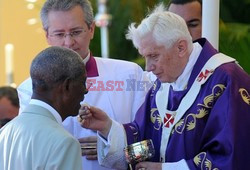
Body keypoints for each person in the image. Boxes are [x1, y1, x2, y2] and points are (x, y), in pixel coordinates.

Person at [78, 4, 250, 170]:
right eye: (145, 57)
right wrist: (108, 128)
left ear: (181, 47)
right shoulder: (162, 84)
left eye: (154, 56)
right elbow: (148, 144)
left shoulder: (227, 81)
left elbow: (232, 157)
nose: (148, 67)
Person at [17, 0, 149, 169]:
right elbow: (30, 153)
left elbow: (151, 146)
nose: (68, 42)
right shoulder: (29, 89)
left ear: (91, 29)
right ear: (47, 36)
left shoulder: (130, 75)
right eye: (59, 34)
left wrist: (113, 148)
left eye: (76, 32)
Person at [0, 46, 87, 170]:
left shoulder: (5, 133)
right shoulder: (63, 142)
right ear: (67, 86)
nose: (86, 90)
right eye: (83, 82)